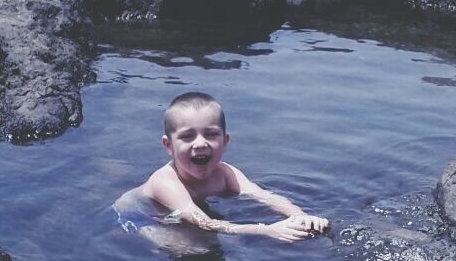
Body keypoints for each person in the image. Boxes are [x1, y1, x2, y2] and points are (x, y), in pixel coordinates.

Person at [116, 90, 329, 243]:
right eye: (187, 136)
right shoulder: (165, 181)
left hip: (178, 214)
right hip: (136, 216)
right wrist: (266, 230)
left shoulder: (225, 172)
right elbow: (202, 221)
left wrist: (299, 215)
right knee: (190, 250)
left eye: (210, 134)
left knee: (218, 241)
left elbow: (265, 196)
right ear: (168, 145)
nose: (200, 143)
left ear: (225, 141)